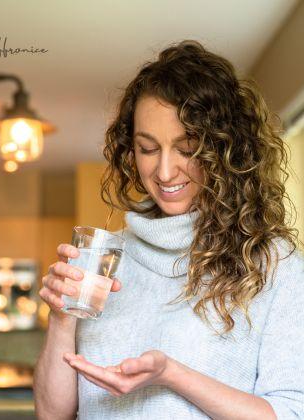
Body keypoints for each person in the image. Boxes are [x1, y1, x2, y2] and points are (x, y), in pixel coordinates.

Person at [33, 40, 304, 419]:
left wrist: (172, 375)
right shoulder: (107, 263)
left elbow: (290, 414)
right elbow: (52, 415)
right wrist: (61, 320)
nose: (163, 172)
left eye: (187, 147)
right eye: (147, 148)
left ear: (226, 149)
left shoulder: (275, 265)